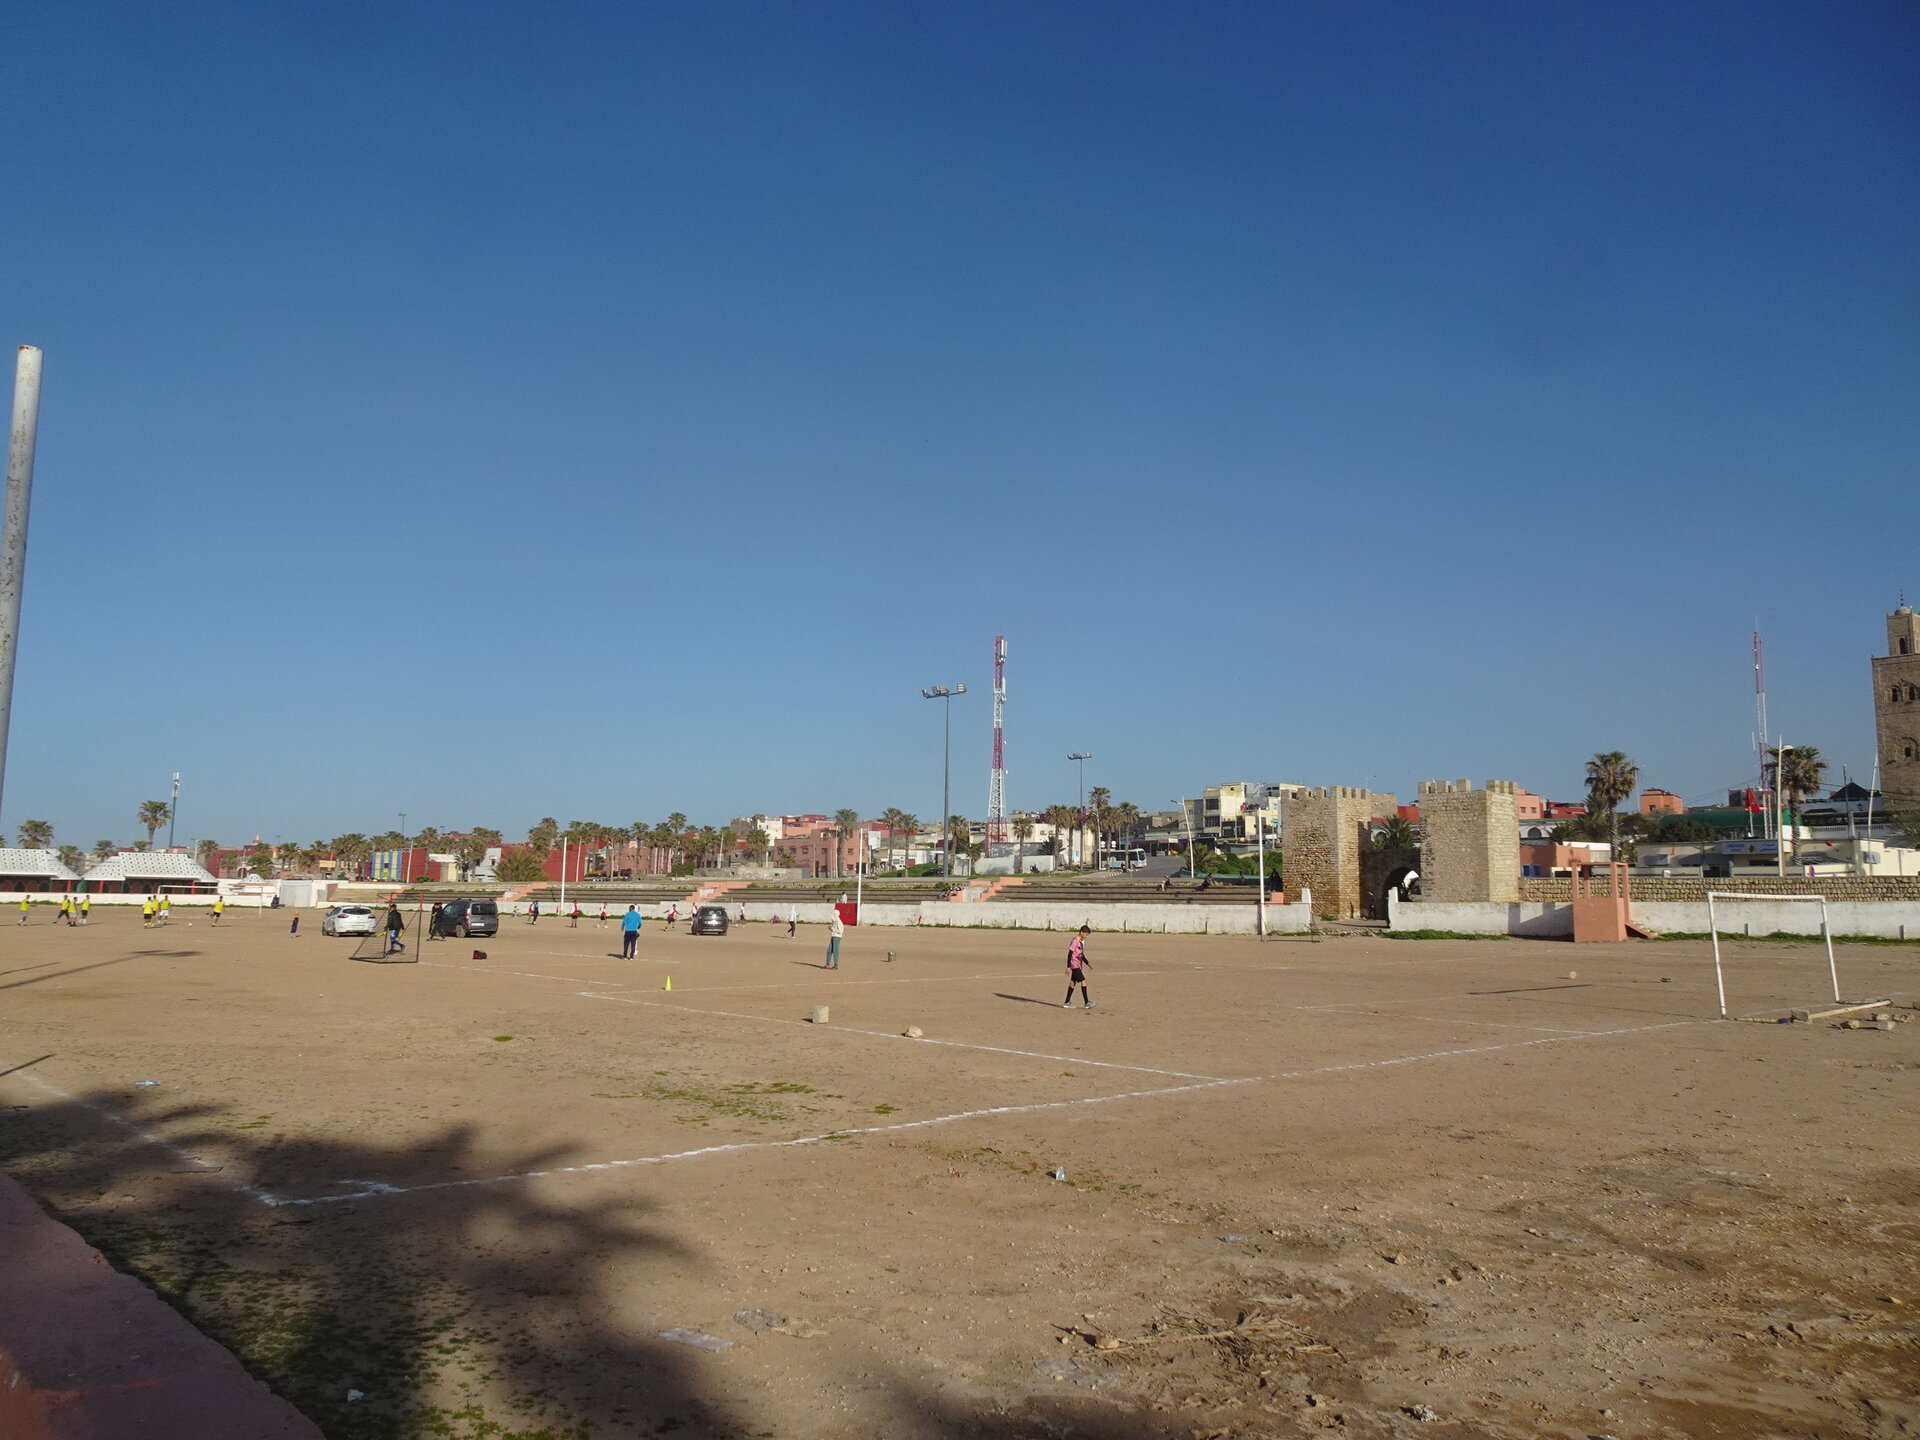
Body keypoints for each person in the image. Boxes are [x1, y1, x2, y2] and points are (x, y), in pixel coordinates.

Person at [1063, 925, 1093, 1009]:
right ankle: (1087, 1002)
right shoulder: (1075, 940)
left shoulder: (1081, 941)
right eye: (1086, 934)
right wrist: (1068, 966)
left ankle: (1066, 1002)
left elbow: (1080, 954)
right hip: (1074, 965)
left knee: (1073, 983)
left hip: (1078, 965)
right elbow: (1070, 953)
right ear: (1081, 932)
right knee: (1084, 982)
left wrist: (1087, 962)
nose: (1086, 936)